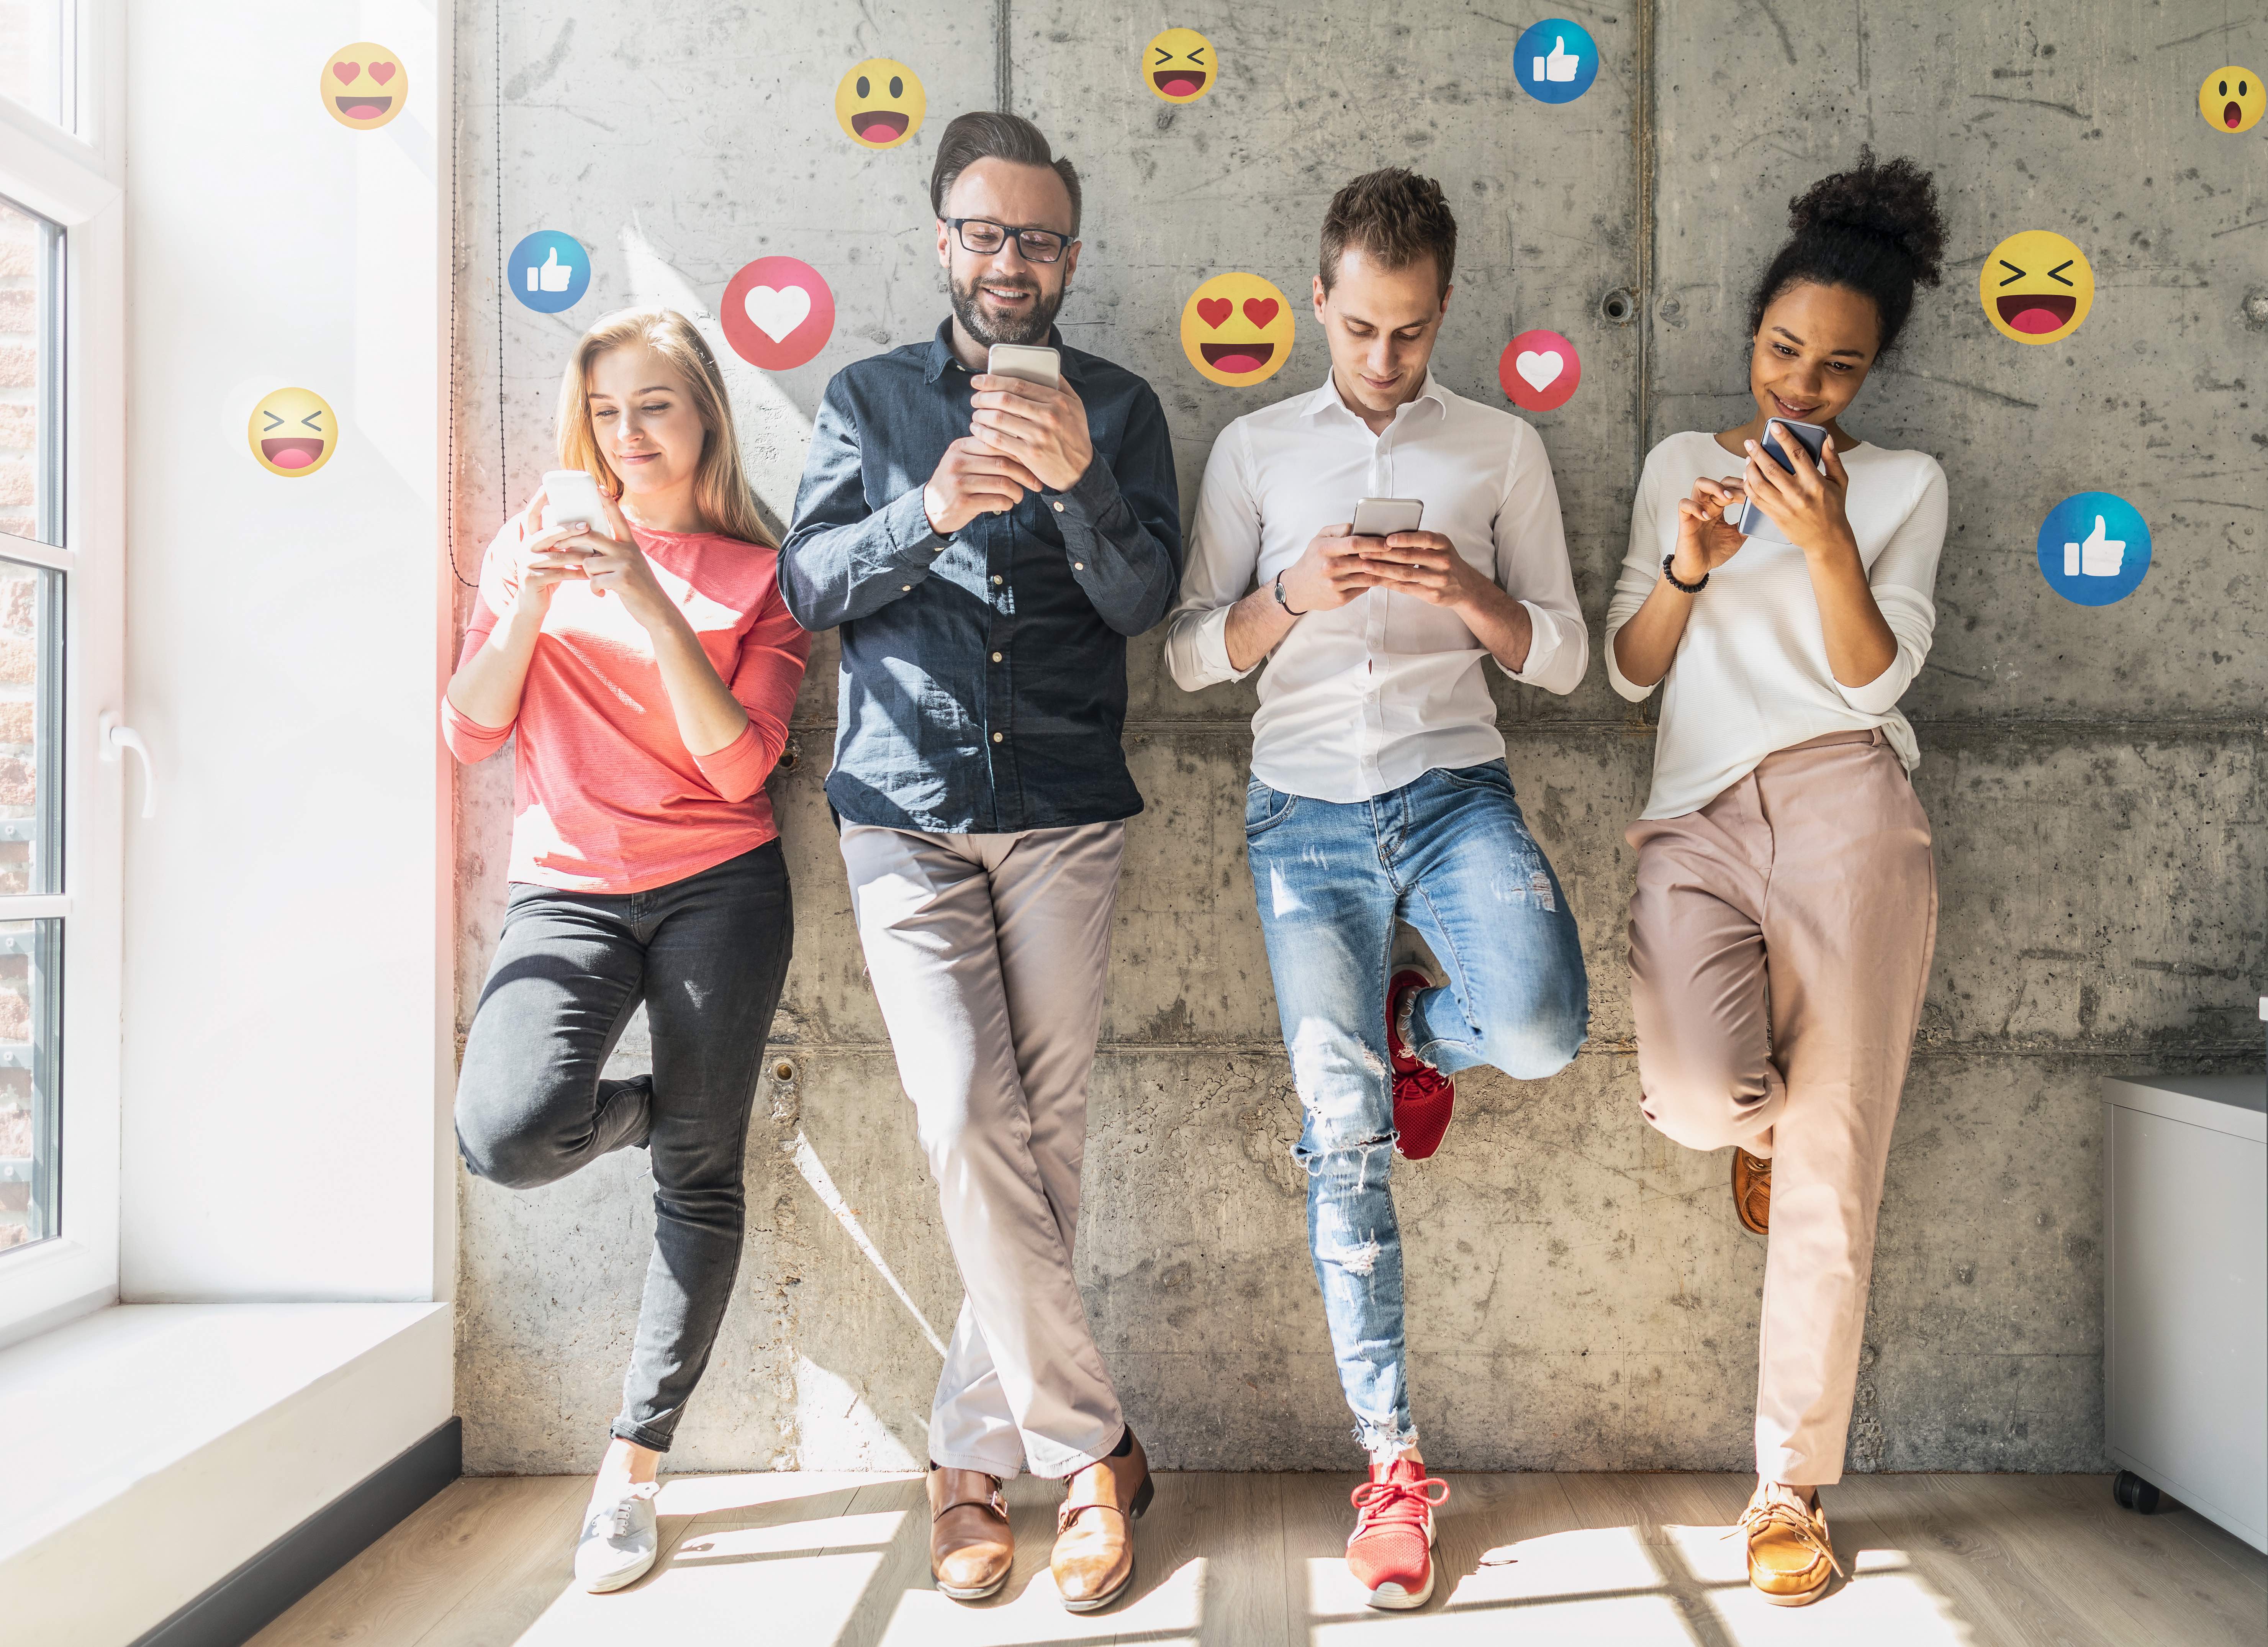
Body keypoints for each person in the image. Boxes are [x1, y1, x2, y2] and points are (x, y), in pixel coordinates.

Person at [1164, 168, 1590, 1613]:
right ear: (1318, 304)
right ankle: (1391, 1462)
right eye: (1358, 330)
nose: (1384, 361)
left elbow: (1568, 660)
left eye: (1407, 334)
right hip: (1300, 818)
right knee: (1340, 1130)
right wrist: (1293, 596)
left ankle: (1428, 1033)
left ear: (1442, 311)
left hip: (1454, 789)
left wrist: (1467, 593)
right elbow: (1181, 657)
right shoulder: (1254, 448)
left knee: (1537, 1030)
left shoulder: (1499, 449)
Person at [776, 111, 1181, 1614]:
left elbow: (1145, 599)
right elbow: (809, 580)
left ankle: (964, 1463)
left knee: (1042, 1139)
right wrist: (926, 506)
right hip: (903, 807)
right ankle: (1087, 1453)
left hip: (1066, 802)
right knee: (962, 1114)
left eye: (1041, 238)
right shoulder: (867, 398)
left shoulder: (1126, 409)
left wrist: (1077, 485)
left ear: (1071, 255)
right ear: (942, 239)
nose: (1012, 263)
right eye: (986, 233)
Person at [1606, 151, 1949, 1607]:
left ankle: (1787, 1486)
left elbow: (1876, 672)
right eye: (1782, 351)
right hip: (1692, 817)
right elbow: (1629, 674)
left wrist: (1820, 541)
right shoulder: (1679, 466)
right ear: (1750, 337)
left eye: (1835, 368)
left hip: (1846, 807)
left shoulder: (1907, 486)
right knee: (1698, 1096)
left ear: (1872, 376)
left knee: (1839, 1161)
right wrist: (1684, 567)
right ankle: (1753, 1128)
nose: (1801, 386)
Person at [444, 308, 809, 1595]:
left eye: (654, 405)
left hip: (722, 886)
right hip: (571, 891)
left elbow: (740, 760)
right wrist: (531, 600)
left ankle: (632, 1471)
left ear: (705, 412)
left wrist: (652, 600)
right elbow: (473, 732)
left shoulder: (766, 577)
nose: (628, 434)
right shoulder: (529, 546)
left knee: (700, 1183)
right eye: (606, 410)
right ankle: (671, 1109)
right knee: (503, 1129)